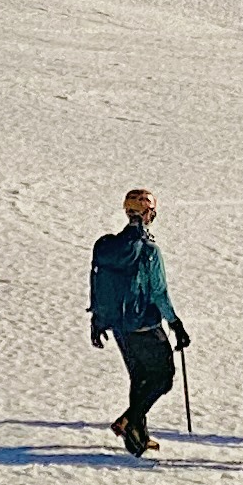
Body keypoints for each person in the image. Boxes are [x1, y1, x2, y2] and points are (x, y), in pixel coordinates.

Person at [87, 187, 187, 456]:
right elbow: (159, 292)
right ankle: (129, 421)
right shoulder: (149, 251)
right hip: (145, 325)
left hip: (119, 326)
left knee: (139, 377)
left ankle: (137, 438)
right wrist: (175, 324)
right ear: (147, 213)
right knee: (163, 378)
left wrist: (97, 320)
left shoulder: (106, 246)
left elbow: (97, 283)